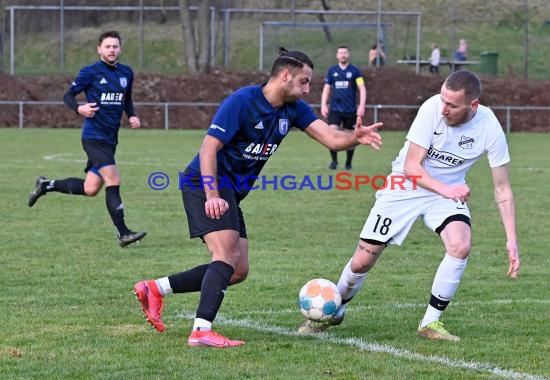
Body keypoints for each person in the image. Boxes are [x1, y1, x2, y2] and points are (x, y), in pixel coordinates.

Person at [133, 48, 382, 348]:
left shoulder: (294, 109)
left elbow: (330, 137)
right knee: (224, 255)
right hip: (205, 182)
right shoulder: (242, 101)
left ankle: (154, 289)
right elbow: (208, 148)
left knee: (237, 270)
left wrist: (355, 137)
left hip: (231, 192)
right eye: (304, 81)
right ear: (285, 75)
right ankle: (201, 331)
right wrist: (212, 194)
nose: (307, 89)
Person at [298, 70, 520, 342]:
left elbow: (503, 188)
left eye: (452, 105)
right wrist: (448, 190)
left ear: (473, 105)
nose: (444, 109)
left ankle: (431, 322)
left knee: (460, 245)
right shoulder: (431, 109)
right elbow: (411, 167)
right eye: (443, 100)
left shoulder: (489, 127)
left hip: (444, 196)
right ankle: (335, 308)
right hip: (404, 187)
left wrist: (511, 239)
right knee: (363, 259)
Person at [27, 30, 146, 248]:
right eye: (107, 46)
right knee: (114, 180)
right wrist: (79, 108)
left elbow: (126, 99)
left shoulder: (126, 73)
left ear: (120, 49)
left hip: (110, 139)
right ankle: (123, 233)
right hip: (93, 137)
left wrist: (133, 115)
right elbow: (67, 96)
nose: (112, 50)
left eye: (115, 46)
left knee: (91, 188)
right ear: (99, 49)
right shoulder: (90, 72)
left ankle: (46, 185)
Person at [322, 44, 367, 170]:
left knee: (350, 137)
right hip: (335, 109)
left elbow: (362, 89)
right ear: (337, 55)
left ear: (348, 55)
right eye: (340, 53)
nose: (343, 55)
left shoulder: (355, 71)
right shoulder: (332, 71)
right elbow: (326, 88)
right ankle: (334, 162)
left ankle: (348, 163)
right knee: (332, 134)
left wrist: (361, 106)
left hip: (350, 110)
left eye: (345, 53)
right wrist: (323, 105)